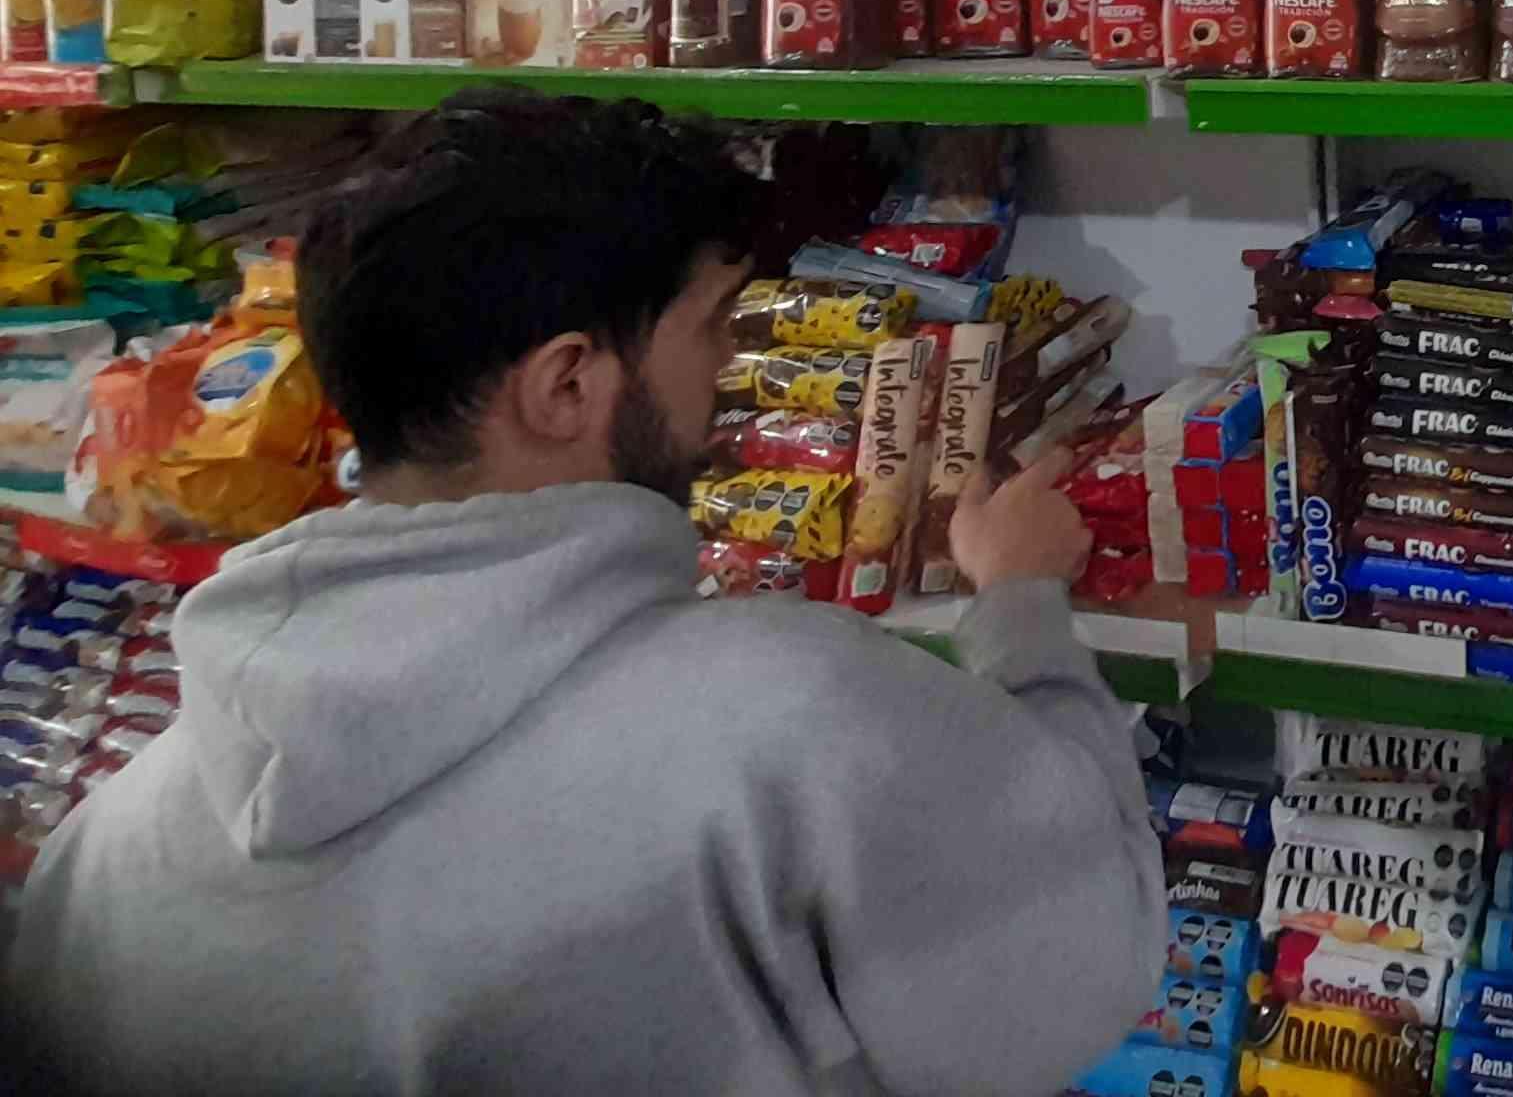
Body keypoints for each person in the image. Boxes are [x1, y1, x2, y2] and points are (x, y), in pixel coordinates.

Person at [5, 92, 1163, 1097]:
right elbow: (1071, 972)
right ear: (567, 385)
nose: (730, 372)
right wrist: (1022, 613)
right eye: (711, 328)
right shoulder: (794, 719)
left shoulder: (100, 856)